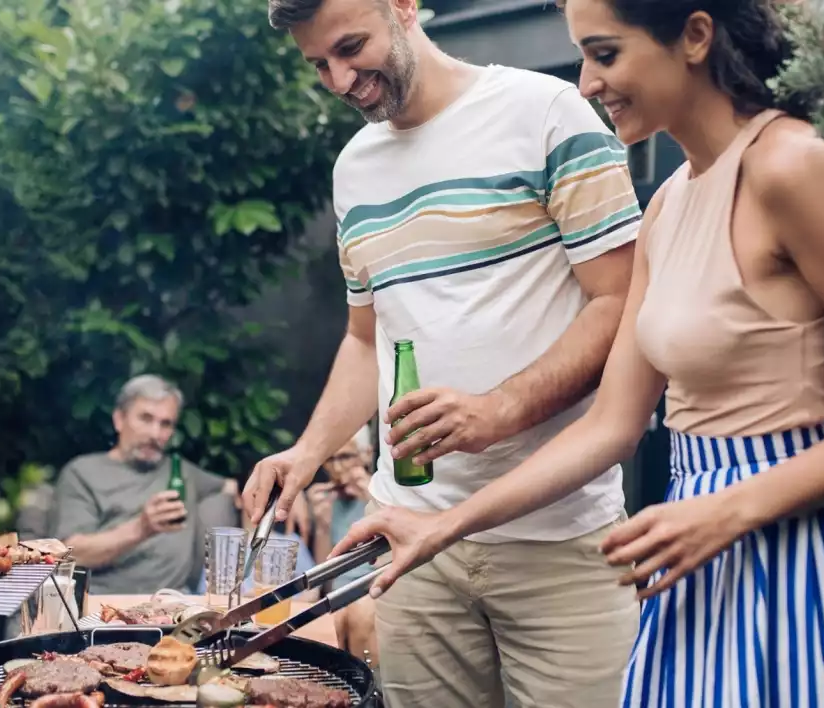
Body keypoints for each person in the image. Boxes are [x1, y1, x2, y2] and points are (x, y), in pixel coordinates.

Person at [332, 1, 824, 706]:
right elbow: (610, 426)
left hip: (783, 545)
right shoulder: (669, 203)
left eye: (605, 54)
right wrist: (440, 527)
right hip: (685, 544)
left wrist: (729, 510)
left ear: (695, 36)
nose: (585, 83)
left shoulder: (791, 165)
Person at [245, 0, 643, 704]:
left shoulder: (548, 113)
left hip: (560, 542)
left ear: (403, 7)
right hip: (407, 544)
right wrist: (305, 454)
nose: (339, 80)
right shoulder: (354, 170)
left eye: (350, 46)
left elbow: (620, 302)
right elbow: (366, 339)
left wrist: (502, 407)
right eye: (318, 66)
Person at [51, 375, 237, 594]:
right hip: (104, 607)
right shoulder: (82, 472)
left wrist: (282, 502)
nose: (154, 434)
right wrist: (142, 529)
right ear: (119, 419)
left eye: (165, 424)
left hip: (175, 608)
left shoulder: (181, 471)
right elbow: (71, 555)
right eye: (146, 419)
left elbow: (231, 487)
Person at [307, 425, 375, 591]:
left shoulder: (385, 494)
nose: (336, 468)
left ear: (366, 454)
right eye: (330, 459)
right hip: (338, 598)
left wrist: (374, 501)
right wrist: (323, 528)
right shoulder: (325, 502)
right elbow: (323, 581)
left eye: (345, 457)